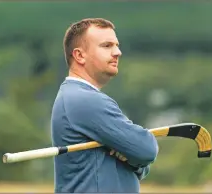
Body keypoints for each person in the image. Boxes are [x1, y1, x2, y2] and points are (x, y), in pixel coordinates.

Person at [51, 18, 159, 193]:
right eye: (107, 46)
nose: (117, 52)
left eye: (116, 45)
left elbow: (143, 163)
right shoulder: (84, 100)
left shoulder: (78, 96)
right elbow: (147, 149)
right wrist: (133, 155)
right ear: (79, 55)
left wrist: (132, 157)